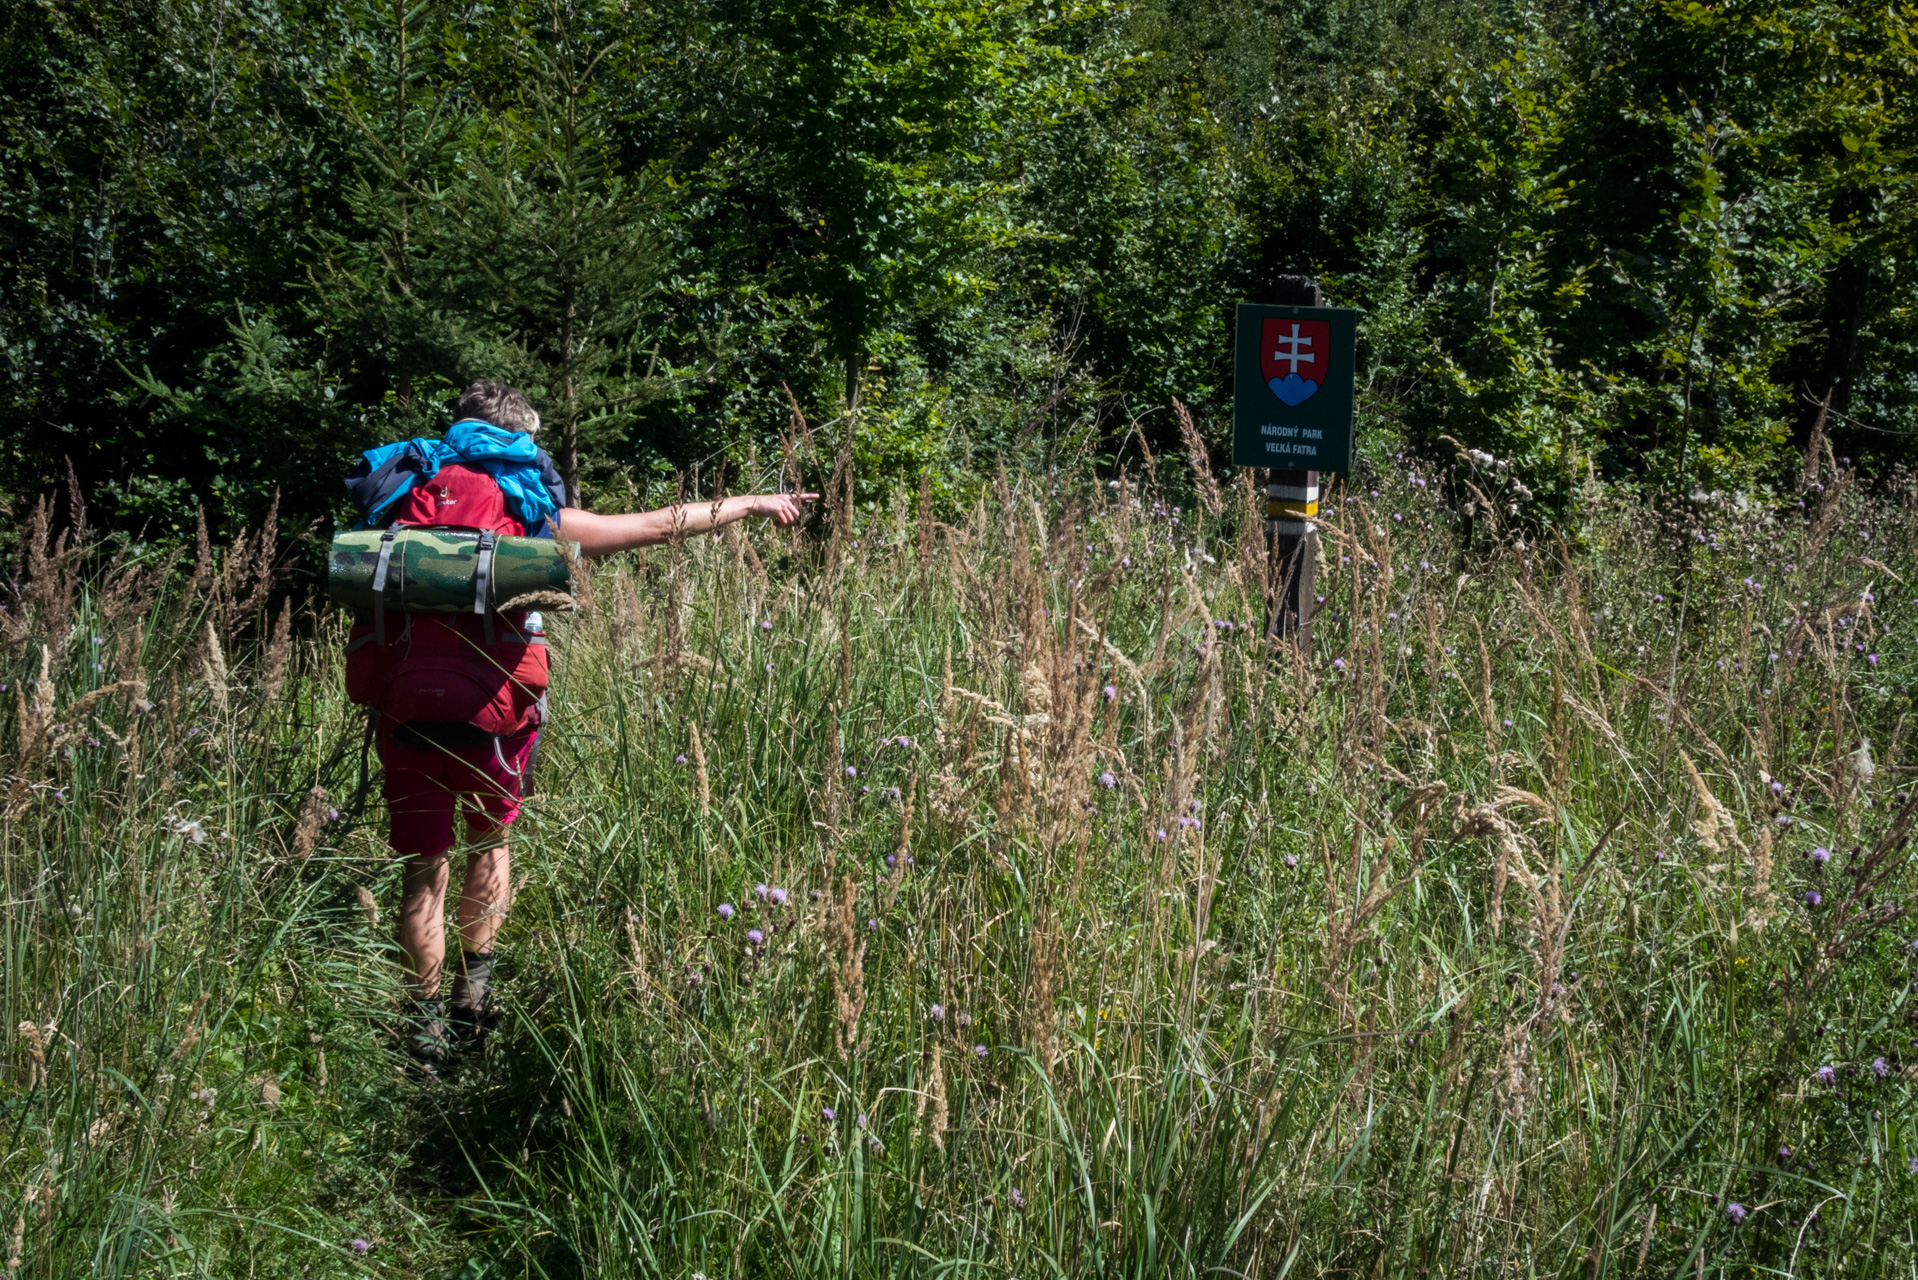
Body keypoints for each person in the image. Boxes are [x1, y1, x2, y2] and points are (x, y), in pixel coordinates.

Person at [341, 379, 812, 1066]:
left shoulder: (404, 488)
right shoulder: (528, 500)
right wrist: (751, 503)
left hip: (404, 705)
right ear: (522, 437)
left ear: (459, 429)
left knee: (423, 867)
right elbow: (655, 525)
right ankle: (474, 1006)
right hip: (496, 710)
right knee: (490, 841)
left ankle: (425, 1034)